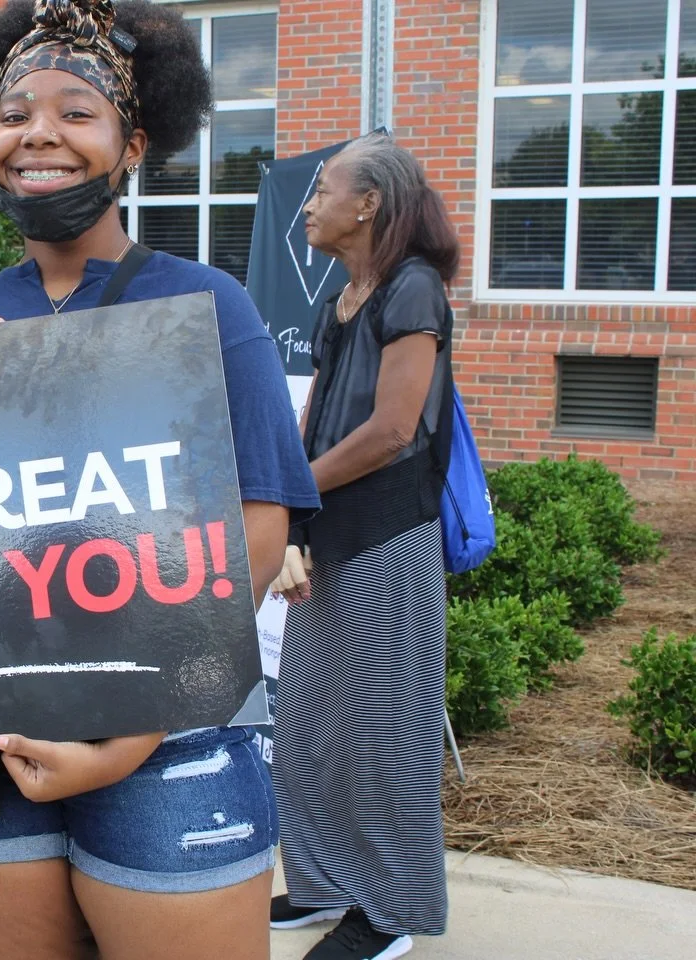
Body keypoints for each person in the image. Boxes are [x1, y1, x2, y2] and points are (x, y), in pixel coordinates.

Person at [0, 3, 320, 958]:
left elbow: (258, 534)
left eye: (77, 113)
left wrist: (134, 727)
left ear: (134, 143)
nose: (38, 132)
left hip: (174, 737)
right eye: (15, 112)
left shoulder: (209, 305)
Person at [267, 132, 457, 960]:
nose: (309, 205)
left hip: (388, 541)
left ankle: (390, 913)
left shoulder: (413, 289)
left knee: (385, 733)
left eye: (323, 190)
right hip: (332, 541)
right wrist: (294, 522)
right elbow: (314, 427)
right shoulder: (342, 297)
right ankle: (322, 885)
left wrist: (300, 489)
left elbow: (391, 431)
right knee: (309, 725)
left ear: (369, 203)